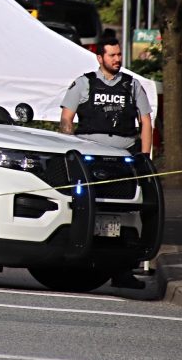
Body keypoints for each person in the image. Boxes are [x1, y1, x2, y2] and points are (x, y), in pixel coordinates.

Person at [59, 36, 153, 289]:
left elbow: (145, 122)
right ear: (100, 58)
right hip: (90, 158)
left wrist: (144, 158)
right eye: (112, 55)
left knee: (128, 216)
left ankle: (124, 271)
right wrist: (71, 146)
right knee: (87, 209)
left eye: (119, 55)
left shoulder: (132, 85)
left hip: (124, 159)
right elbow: (66, 118)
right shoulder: (83, 83)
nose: (118, 59)